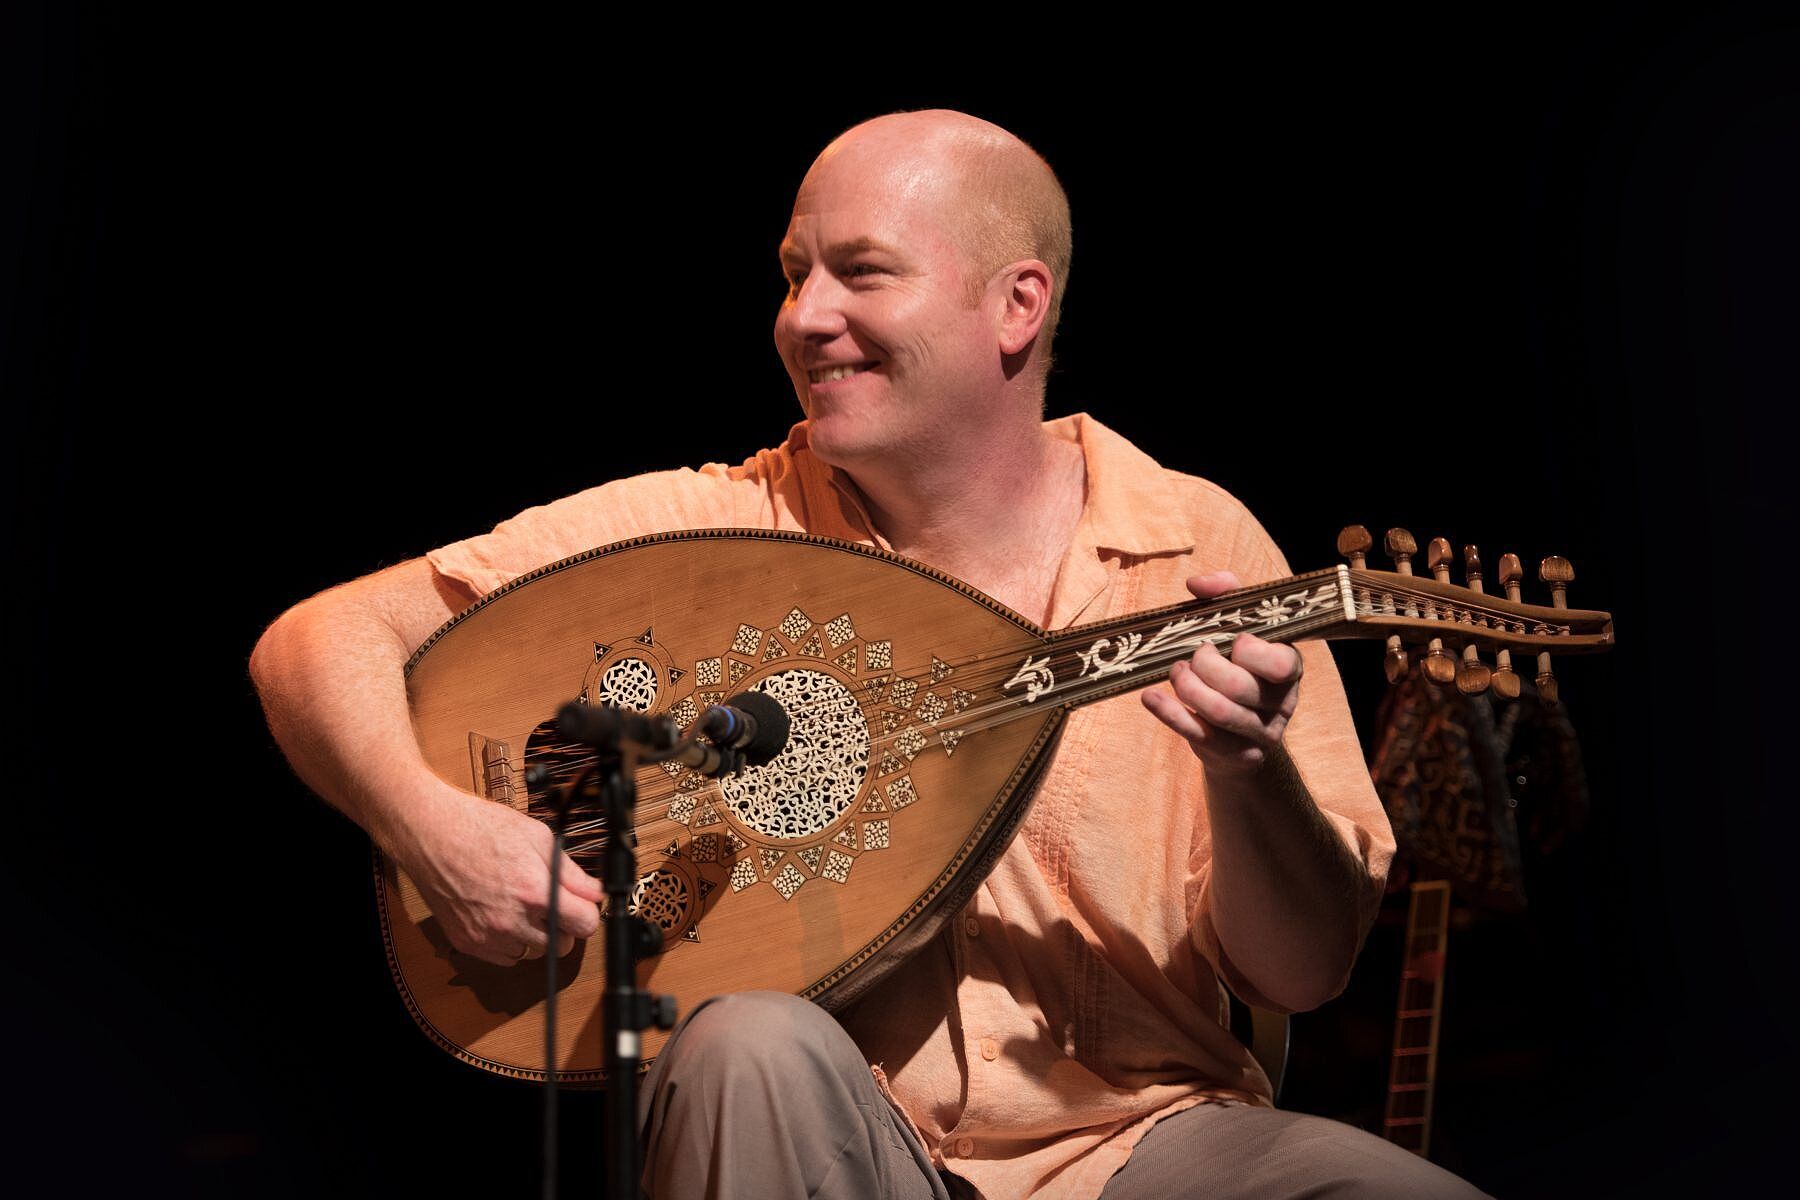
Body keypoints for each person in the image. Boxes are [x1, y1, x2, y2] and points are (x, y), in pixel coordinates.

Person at [251, 110, 1487, 1199]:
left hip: (1142, 1143)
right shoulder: (721, 527)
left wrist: (1248, 767)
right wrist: (430, 824)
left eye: (861, 274)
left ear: (1018, 304)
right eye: (793, 275)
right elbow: (318, 639)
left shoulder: (1192, 552)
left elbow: (1308, 973)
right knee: (745, 1042)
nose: (805, 317)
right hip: (837, 1133)